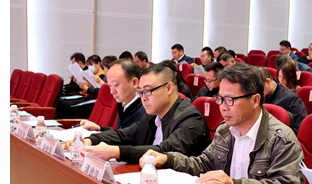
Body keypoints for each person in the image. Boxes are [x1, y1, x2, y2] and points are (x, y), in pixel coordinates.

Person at [140, 63, 305, 184]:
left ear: (255, 100)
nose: (223, 107)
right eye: (220, 99)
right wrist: (168, 159)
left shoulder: (282, 139)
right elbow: (204, 164)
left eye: (230, 100)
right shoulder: (225, 130)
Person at [66, 62, 209, 163]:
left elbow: (164, 150)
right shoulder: (151, 115)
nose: (143, 98)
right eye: (140, 92)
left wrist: (115, 152)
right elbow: (124, 134)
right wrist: (90, 140)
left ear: (169, 88)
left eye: (147, 91)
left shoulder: (190, 117)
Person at [80, 59, 145, 132]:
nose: (112, 91)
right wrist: (100, 128)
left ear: (134, 83)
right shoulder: (123, 103)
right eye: (110, 86)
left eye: (115, 85)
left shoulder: (145, 111)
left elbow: (128, 137)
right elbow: (121, 133)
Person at [261, 67, 307, 134]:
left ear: (268, 82)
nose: (255, 91)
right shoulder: (255, 97)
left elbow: (299, 129)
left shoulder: (291, 98)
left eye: (258, 87)